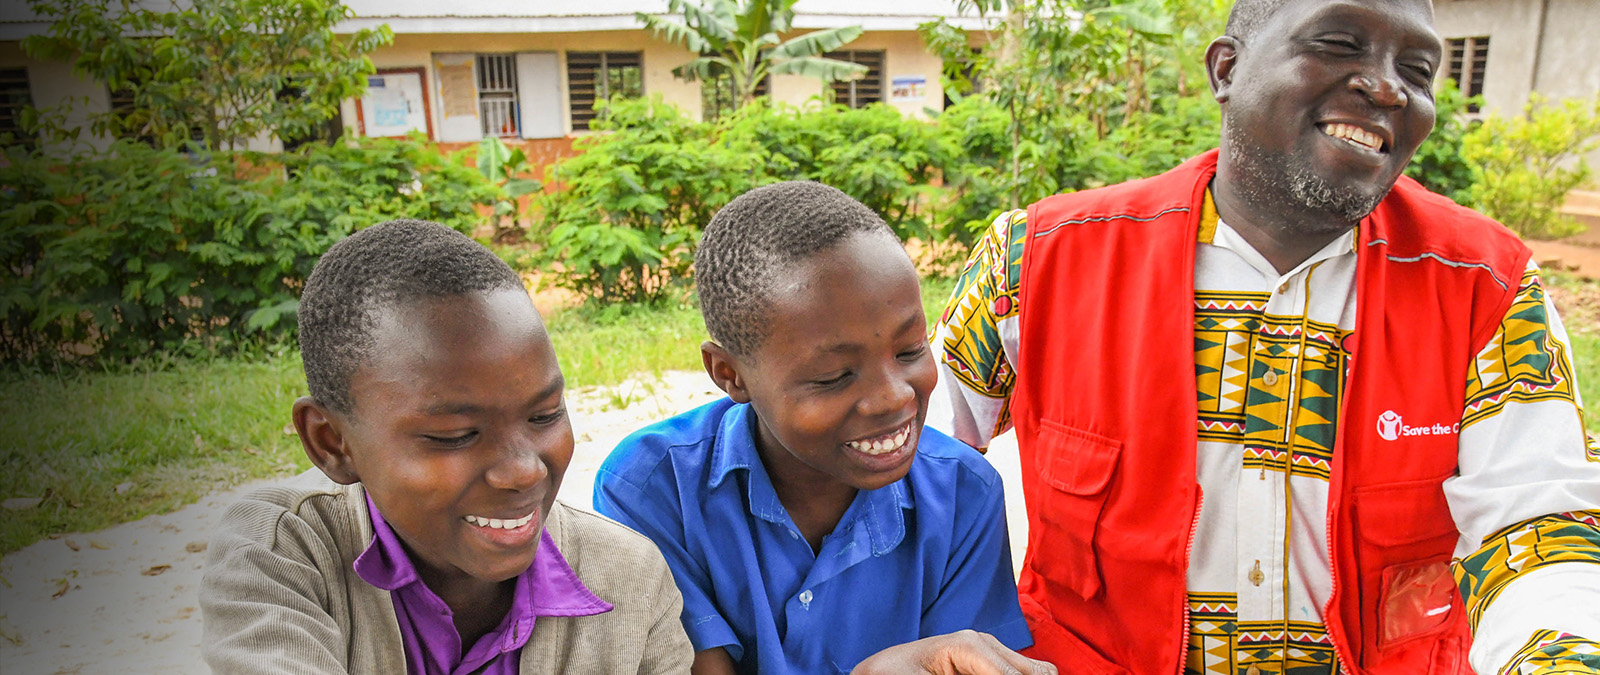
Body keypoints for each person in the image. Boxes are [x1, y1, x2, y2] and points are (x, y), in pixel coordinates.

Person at [867, 0, 1600, 673]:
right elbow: (901, 473)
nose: (1387, 87)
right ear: (1226, 70)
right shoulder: (1034, 260)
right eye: (1340, 44)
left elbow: (1539, 526)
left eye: (1417, 70)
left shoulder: (1487, 286)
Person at [199, 219, 694, 674]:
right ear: (332, 443)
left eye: (544, 415)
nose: (524, 472)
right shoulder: (284, 551)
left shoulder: (630, 579)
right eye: (454, 436)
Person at [592, 181, 1034, 675]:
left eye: (910, 350)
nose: (894, 397)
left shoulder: (964, 494)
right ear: (730, 374)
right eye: (834, 376)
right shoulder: (651, 488)